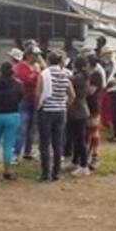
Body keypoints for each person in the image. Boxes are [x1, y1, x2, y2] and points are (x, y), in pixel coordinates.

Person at [36, 50, 72, 182]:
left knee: (44, 143)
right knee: (57, 143)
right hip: (60, 111)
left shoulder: (44, 74)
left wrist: (37, 106)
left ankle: (45, 173)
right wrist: (64, 105)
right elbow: (72, 94)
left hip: (46, 110)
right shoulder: (65, 74)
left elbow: (38, 93)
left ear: (49, 60)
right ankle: (56, 172)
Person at [12, 48, 39, 163]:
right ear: (28, 55)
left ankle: (28, 151)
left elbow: (39, 80)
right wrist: (36, 73)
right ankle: (16, 152)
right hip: (24, 99)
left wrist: (36, 73)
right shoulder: (21, 66)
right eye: (35, 54)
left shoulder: (36, 66)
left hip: (34, 99)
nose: (37, 57)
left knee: (32, 127)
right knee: (21, 126)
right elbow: (26, 80)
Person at [66, 63, 91, 176]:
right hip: (78, 110)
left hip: (78, 111)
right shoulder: (82, 76)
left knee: (80, 140)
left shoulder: (79, 78)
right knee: (75, 138)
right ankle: (75, 161)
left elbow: (66, 79)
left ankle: (84, 165)